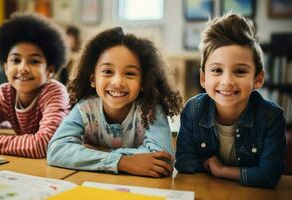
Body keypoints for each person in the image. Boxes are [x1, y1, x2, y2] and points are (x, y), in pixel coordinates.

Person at [47, 27, 182, 177]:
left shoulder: (150, 110)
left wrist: (94, 152)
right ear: (93, 79)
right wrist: (121, 162)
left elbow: (162, 161)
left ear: (144, 82)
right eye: (107, 71)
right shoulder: (85, 109)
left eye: (130, 73)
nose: (117, 82)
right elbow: (56, 150)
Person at [175, 13, 286, 188]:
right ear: (203, 78)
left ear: (258, 79)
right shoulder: (193, 109)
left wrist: (222, 171)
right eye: (217, 70)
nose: (227, 81)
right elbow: (184, 162)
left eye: (240, 71)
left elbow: (270, 175)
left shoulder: (272, 117)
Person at [0, 13, 70, 158]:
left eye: (34, 61)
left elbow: (44, 145)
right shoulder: (5, 93)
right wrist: (25, 145)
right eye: (16, 60)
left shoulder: (54, 92)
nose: (23, 68)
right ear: (5, 67)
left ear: (50, 71)